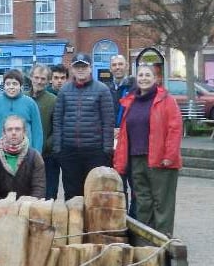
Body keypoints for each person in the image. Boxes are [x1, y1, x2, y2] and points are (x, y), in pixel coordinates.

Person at [113, 64, 182, 236]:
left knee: (162, 203)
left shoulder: (166, 100)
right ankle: (146, 239)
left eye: (147, 75)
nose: (143, 78)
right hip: (136, 158)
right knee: (143, 201)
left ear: (155, 79)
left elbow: (175, 129)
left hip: (160, 160)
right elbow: (124, 133)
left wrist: (169, 155)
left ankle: (163, 240)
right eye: (141, 75)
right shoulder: (131, 101)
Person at [52, 53, 115, 200]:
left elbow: (108, 121)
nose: (81, 70)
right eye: (77, 67)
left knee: (95, 193)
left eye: (84, 66)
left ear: (90, 68)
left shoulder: (102, 90)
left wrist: (106, 150)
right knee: (72, 193)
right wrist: (58, 149)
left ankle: (93, 223)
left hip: (95, 152)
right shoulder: (64, 91)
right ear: (72, 70)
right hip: (70, 152)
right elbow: (57, 121)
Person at [0, 69, 43, 155]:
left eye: (15, 84)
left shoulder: (30, 103)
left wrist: (36, 154)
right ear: (4, 86)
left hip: (26, 154)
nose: (11, 87)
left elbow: (37, 131)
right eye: (8, 84)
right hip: (0, 154)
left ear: (21, 86)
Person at [0, 115, 45, 200]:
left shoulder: (35, 157)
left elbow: (39, 190)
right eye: (9, 129)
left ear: (24, 132)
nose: (13, 132)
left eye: (18, 129)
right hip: (0, 208)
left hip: (28, 207)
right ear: (3, 133)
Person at [109, 54, 137, 216]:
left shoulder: (135, 88)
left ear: (126, 66)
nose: (118, 67)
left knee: (135, 185)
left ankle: (135, 221)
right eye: (114, 65)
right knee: (118, 185)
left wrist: (123, 128)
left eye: (120, 64)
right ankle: (121, 219)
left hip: (131, 143)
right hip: (112, 142)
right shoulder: (107, 88)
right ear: (111, 68)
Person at [29, 64, 59, 199]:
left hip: (47, 157)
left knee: (48, 195)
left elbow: (58, 129)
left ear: (48, 81)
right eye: (36, 77)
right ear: (31, 78)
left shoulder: (53, 100)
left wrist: (44, 145)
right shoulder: (23, 98)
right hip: (26, 156)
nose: (39, 81)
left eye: (43, 79)